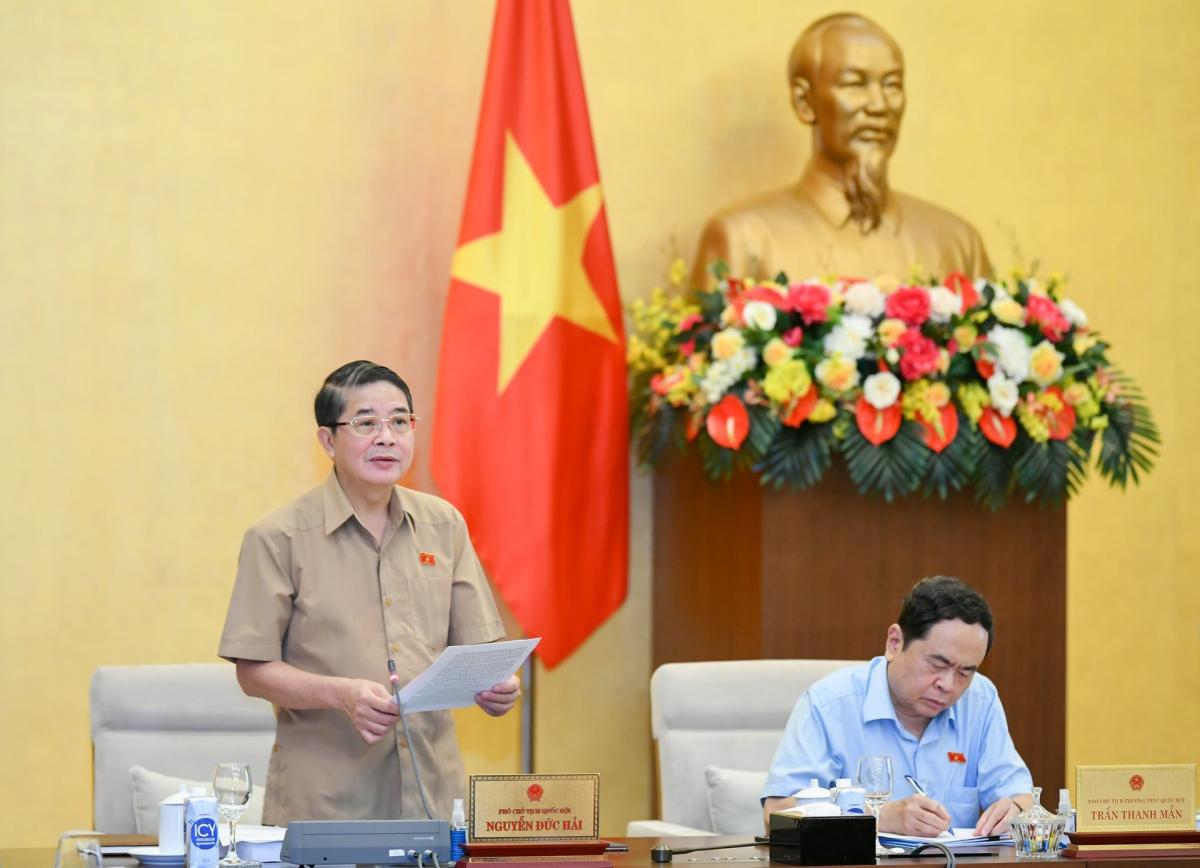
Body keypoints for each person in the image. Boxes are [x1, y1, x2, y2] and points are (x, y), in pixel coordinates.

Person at [218, 360, 520, 825]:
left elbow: (479, 647)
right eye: (365, 423)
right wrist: (340, 694)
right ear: (327, 441)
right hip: (326, 805)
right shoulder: (279, 537)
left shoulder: (444, 525)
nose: (387, 437)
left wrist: (497, 683)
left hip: (433, 798)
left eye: (400, 422)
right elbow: (253, 672)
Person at [692, 13, 991, 287]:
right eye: (854, 84)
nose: (879, 105)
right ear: (804, 102)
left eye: (892, 85)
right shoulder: (744, 239)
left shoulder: (957, 243)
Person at [761, 576, 1032, 836]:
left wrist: (1016, 810)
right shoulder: (828, 704)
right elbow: (777, 815)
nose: (948, 684)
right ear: (894, 643)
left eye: (965, 672)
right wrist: (880, 817)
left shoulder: (980, 700)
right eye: (938, 664)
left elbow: (1021, 796)